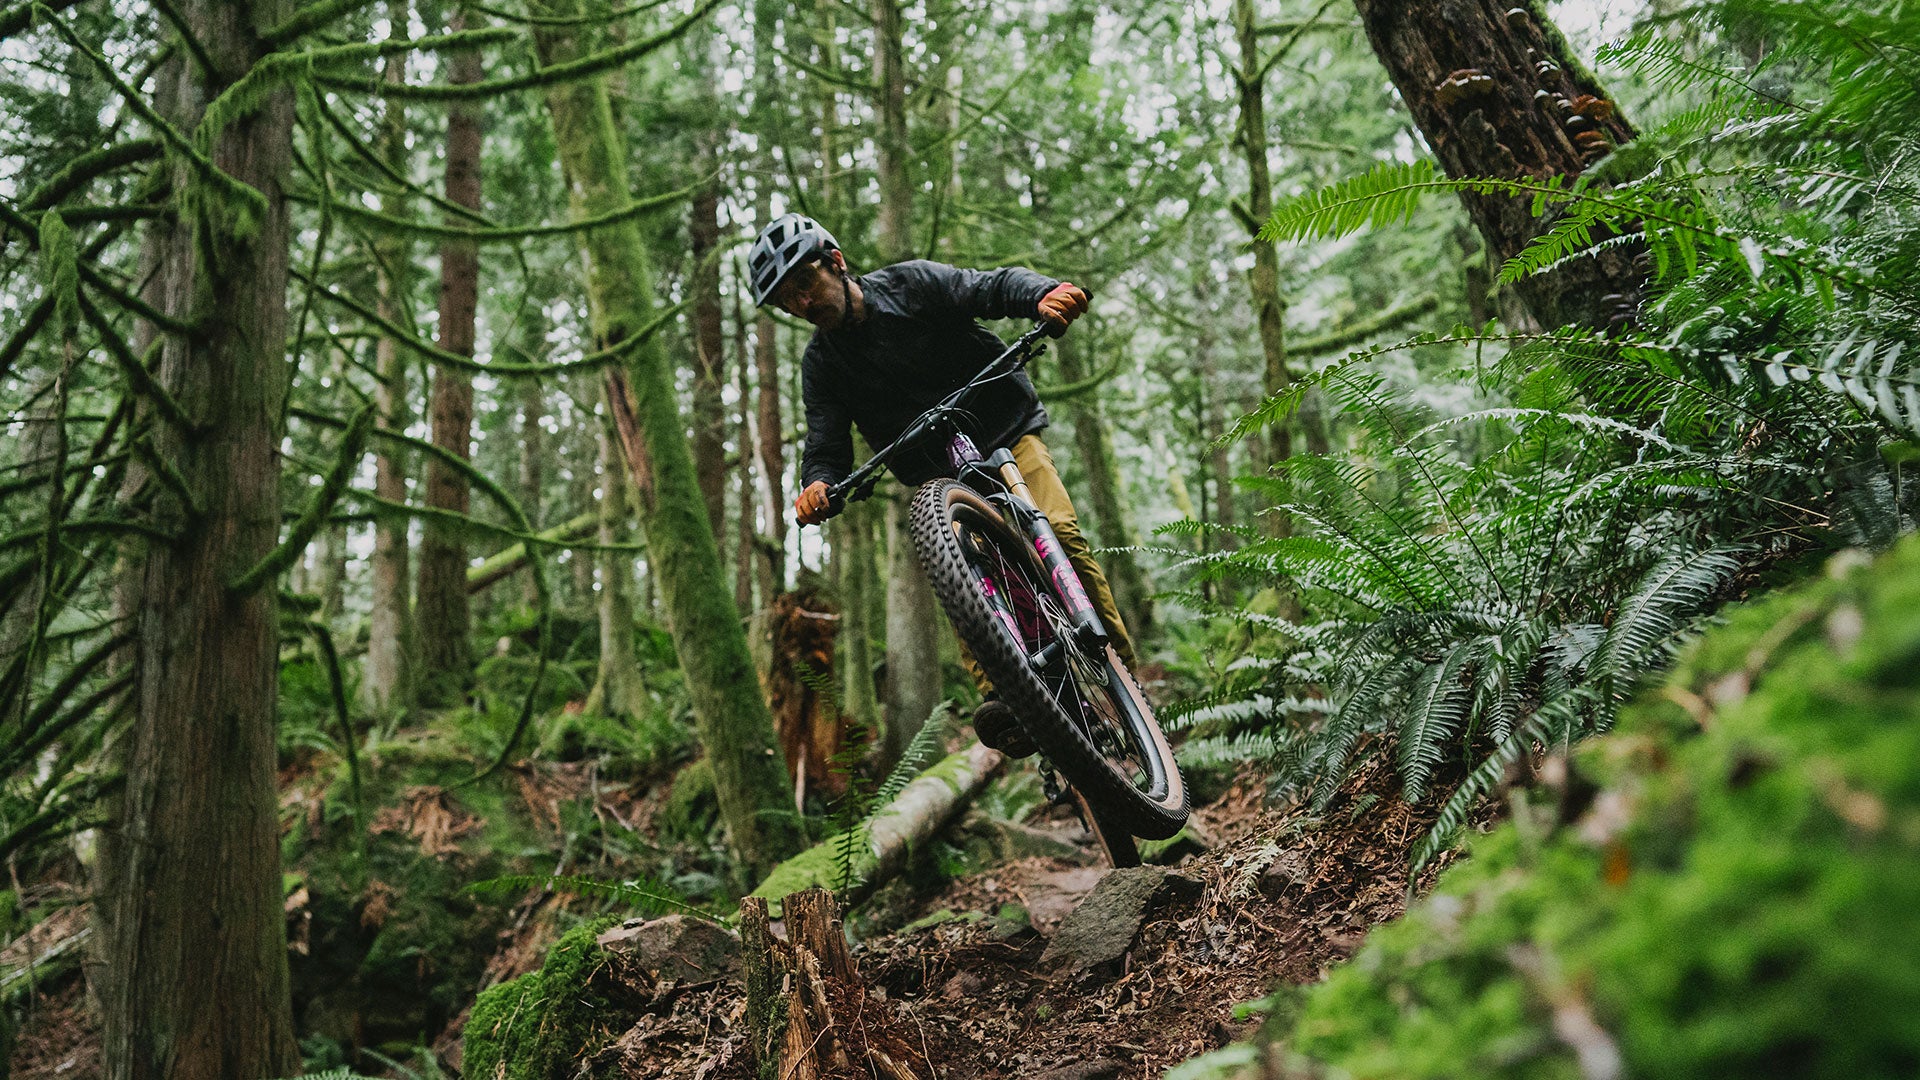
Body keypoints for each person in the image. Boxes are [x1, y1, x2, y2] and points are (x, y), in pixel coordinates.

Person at [747, 212, 1136, 760]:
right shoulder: (822, 365)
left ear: (835, 262)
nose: (803, 304)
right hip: (936, 475)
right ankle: (1007, 696)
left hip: (1003, 431)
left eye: (805, 284)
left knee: (1060, 534)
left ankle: (1122, 675)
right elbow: (826, 440)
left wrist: (1043, 295)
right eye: (788, 300)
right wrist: (818, 483)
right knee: (960, 575)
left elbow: (988, 287)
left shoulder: (910, 284)